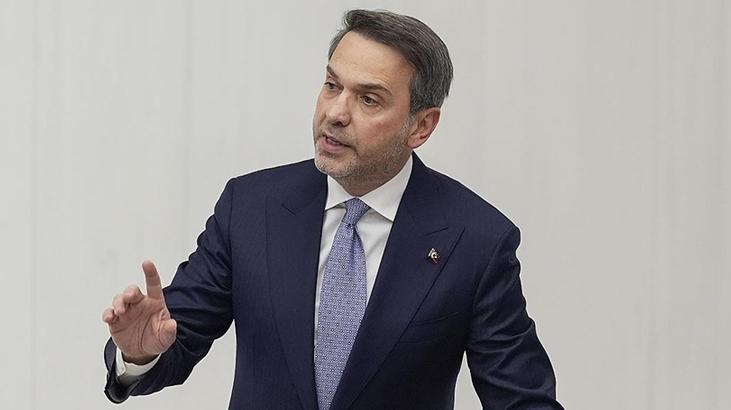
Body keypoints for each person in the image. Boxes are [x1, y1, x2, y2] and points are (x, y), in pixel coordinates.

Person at [101, 9, 563, 410]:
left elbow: (522, 399)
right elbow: (175, 340)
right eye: (331, 85)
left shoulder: (475, 239)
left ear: (421, 126)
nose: (335, 113)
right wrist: (140, 355)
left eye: (368, 99)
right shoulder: (252, 207)